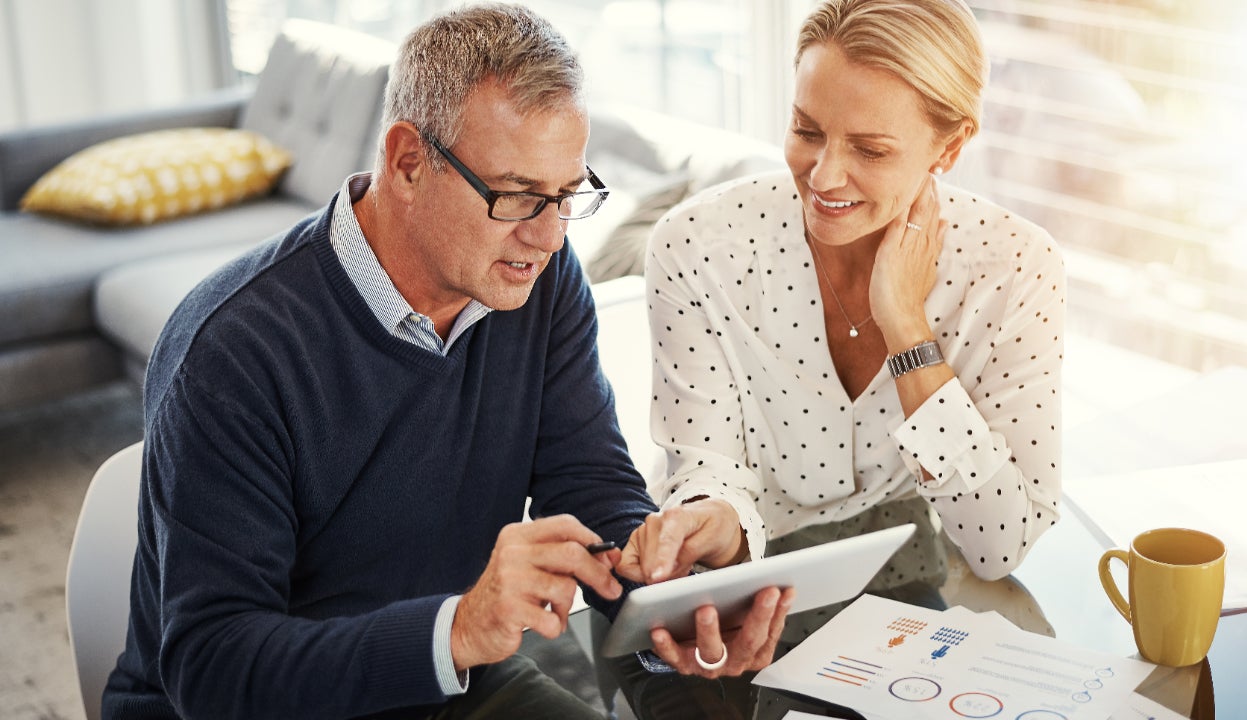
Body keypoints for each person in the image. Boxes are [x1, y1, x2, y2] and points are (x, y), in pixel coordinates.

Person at [102, 5, 790, 719]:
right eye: (519, 196)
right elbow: (211, 670)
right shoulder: (234, 350)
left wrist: (669, 595)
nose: (550, 238)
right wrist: (457, 631)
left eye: (566, 195)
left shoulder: (538, 282)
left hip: (442, 681)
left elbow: (588, 484)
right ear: (407, 162)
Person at [645, 0, 1064, 619]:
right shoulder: (697, 247)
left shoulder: (1017, 269)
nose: (824, 175)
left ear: (949, 147)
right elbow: (708, 468)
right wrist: (712, 520)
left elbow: (1000, 545)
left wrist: (907, 329)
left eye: (870, 150)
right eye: (807, 131)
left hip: (907, 579)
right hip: (735, 587)